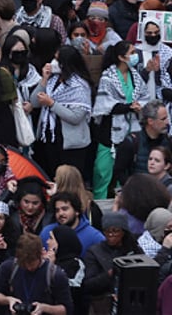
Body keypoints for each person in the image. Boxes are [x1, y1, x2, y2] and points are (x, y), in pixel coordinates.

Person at [93, 40, 150, 198]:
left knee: (125, 173)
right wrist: (130, 106)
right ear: (121, 57)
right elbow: (106, 105)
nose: (134, 56)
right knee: (103, 171)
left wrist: (139, 105)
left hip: (131, 129)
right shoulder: (108, 77)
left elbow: (144, 96)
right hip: (109, 132)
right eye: (131, 53)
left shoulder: (135, 76)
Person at [33, 45, 93, 179]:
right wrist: (43, 80)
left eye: (57, 60)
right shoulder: (52, 80)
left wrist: (52, 104)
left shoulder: (79, 86)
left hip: (70, 144)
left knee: (68, 180)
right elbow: (34, 102)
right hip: (49, 138)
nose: (53, 63)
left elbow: (76, 117)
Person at [0, 233, 71, 315]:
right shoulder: (9, 267)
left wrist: (44, 308)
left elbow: (66, 309)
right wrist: (8, 300)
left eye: (32, 263)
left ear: (41, 254)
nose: (28, 267)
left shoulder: (55, 274)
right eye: (23, 263)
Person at [84, 212, 143, 313]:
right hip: (104, 304)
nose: (110, 235)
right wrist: (109, 274)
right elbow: (88, 284)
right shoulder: (95, 252)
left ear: (123, 232)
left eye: (115, 231)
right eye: (107, 231)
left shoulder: (134, 250)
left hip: (131, 301)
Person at [112, 100, 171, 187]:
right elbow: (119, 173)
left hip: (162, 194)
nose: (167, 123)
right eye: (163, 119)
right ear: (150, 121)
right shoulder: (131, 143)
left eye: (167, 118)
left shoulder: (168, 142)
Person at [39, 191, 105, 257]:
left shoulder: (94, 237)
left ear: (77, 211)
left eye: (65, 209)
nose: (60, 213)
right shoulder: (47, 232)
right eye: (57, 210)